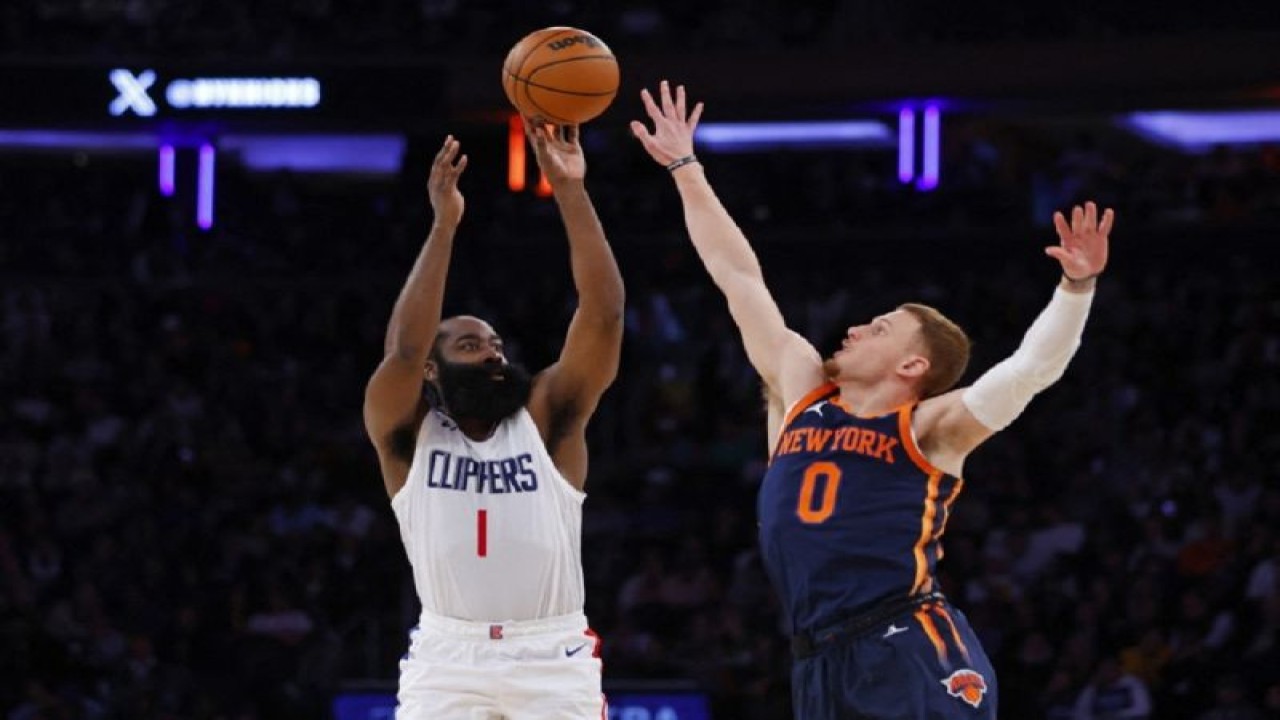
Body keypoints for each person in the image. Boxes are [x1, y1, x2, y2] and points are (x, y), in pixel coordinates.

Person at [631, 80, 1113, 719]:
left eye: (879, 327)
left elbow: (1030, 371)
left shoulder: (931, 427)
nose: (855, 328)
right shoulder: (801, 387)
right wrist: (685, 169)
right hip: (816, 658)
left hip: (905, 643)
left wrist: (1076, 287)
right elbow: (738, 276)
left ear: (913, 365)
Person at [362, 124, 624, 719]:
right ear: (434, 369)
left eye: (497, 344)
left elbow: (604, 314)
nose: (494, 354)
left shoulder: (549, 420)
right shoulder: (406, 434)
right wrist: (443, 226)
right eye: (472, 345)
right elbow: (403, 350)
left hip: (550, 652)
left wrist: (570, 191)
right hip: (448, 656)